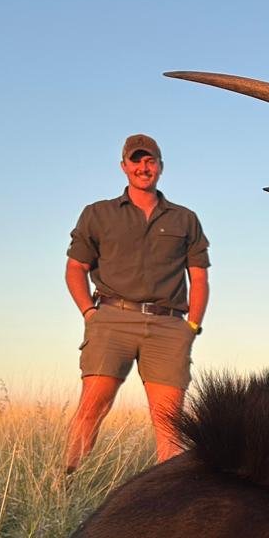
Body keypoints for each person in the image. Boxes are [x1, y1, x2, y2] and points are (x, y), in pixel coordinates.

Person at [63, 133, 211, 473]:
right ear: (123, 167)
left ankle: (169, 506)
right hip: (113, 317)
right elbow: (75, 268)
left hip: (169, 325)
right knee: (92, 409)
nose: (143, 168)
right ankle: (65, 485)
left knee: (170, 423)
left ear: (160, 166)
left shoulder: (184, 219)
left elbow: (198, 277)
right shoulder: (98, 214)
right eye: (136, 161)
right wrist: (90, 313)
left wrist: (191, 327)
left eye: (150, 161)